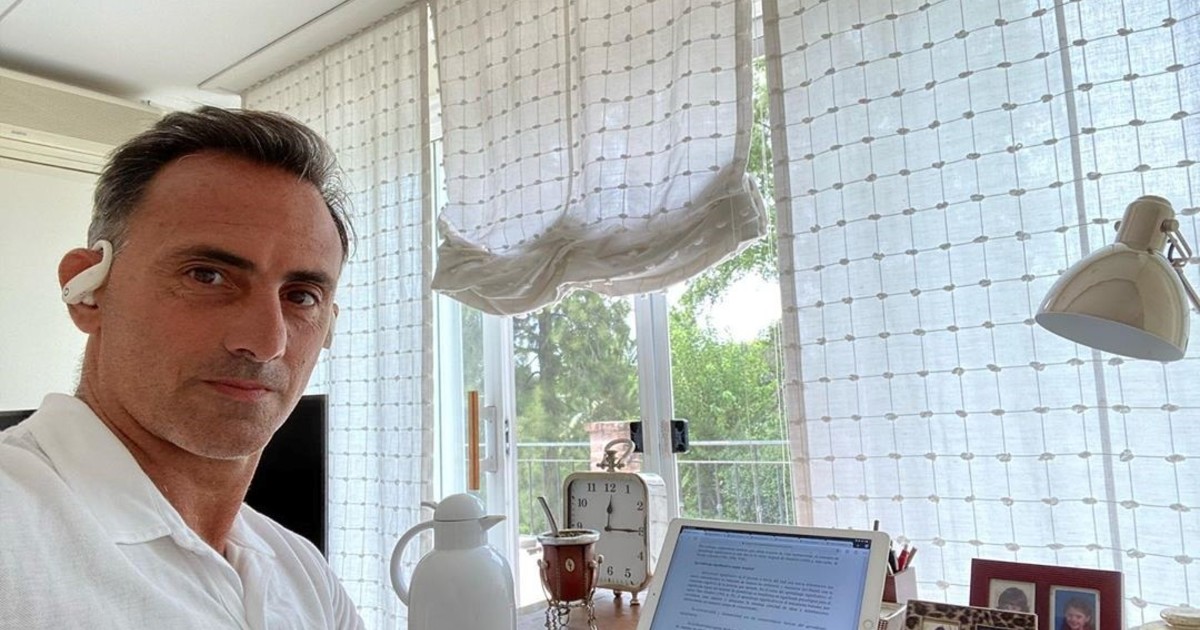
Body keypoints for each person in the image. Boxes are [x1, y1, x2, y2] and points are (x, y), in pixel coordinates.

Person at [0, 106, 364, 629]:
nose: (266, 343)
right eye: (206, 275)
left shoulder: (303, 573)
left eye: (302, 295)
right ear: (88, 292)